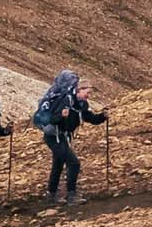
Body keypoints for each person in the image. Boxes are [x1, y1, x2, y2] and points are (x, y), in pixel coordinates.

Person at [35, 69, 107, 205]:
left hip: (60, 136)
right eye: (88, 92)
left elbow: (90, 118)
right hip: (53, 136)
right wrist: (62, 116)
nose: (88, 96)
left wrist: (102, 117)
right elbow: (54, 119)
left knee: (59, 163)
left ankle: (51, 195)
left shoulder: (81, 104)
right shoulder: (66, 100)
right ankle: (71, 196)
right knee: (74, 163)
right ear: (79, 90)